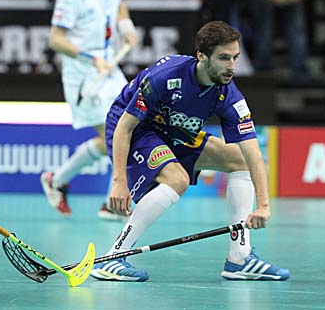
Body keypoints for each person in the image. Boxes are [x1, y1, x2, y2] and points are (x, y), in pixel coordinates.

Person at [90, 21, 290, 282]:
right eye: (224, 58)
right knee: (177, 179)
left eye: (235, 58)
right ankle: (113, 257)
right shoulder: (165, 76)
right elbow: (124, 128)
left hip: (174, 131)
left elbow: (253, 154)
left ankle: (239, 258)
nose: (232, 66)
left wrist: (263, 206)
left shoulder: (229, 95)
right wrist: (119, 181)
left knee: (239, 160)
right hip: (137, 128)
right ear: (202, 56)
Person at [40, 0, 139, 221]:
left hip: (109, 65)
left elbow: (119, 5)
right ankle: (107, 202)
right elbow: (56, 40)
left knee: (127, 129)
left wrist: (126, 27)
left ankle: (60, 180)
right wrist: (90, 58)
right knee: (115, 135)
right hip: (84, 73)